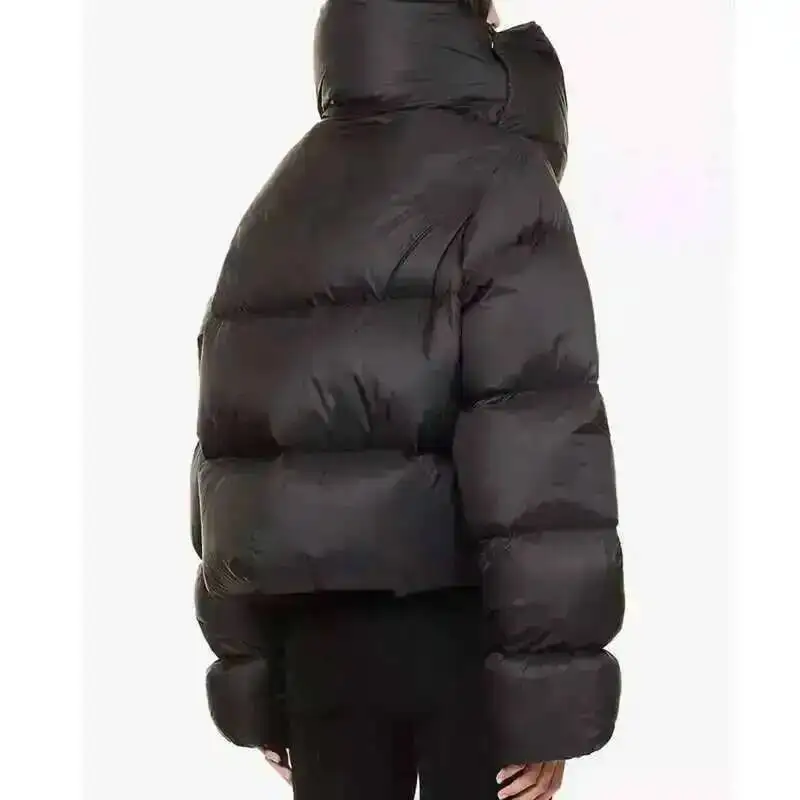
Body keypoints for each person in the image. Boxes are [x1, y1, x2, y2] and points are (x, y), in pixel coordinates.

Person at [191, 1, 625, 798]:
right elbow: (538, 452)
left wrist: (260, 680)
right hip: (461, 632)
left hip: (316, 646)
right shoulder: (503, 178)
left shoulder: (283, 195)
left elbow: (229, 451)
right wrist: (548, 708)